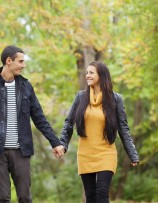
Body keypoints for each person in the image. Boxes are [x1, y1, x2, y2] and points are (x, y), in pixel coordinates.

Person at [0, 45, 65, 203]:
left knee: (24, 197)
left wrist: (55, 142)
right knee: (3, 198)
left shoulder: (26, 87)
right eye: (20, 61)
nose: (23, 65)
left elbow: (39, 117)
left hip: (21, 152)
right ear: (8, 61)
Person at [60, 61, 139, 203]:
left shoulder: (115, 99)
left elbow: (123, 128)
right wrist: (63, 144)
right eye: (87, 73)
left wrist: (132, 154)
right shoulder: (80, 97)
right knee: (90, 196)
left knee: (102, 194)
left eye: (91, 72)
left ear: (101, 76)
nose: (87, 75)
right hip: (85, 153)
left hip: (106, 152)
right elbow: (68, 123)